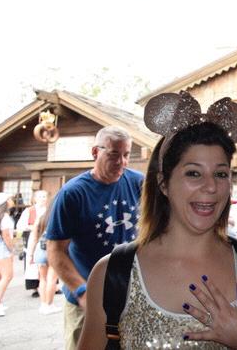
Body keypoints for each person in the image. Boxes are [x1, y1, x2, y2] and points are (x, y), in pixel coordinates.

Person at [78, 92, 237, 349]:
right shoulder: (112, 273)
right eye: (194, 173)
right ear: (163, 183)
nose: (211, 187)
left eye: (220, 174)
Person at [46, 126, 144, 350]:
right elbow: (55, 250)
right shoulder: (73, 193)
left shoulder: (139, 183)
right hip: (85, 298)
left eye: (126, 154)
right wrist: (82, 292)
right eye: (114, 154)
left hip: (129, 297)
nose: (121, 162)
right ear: (95, 152)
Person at [31, 194, 61, 315]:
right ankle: (50, 304)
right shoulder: (58, 217)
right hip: (52, 249)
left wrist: (31, 253)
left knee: (42, 279)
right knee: (52, 279)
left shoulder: (41, 218)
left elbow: (34, 237)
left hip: (40, 248)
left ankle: (43, 304)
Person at [16, 189, 48, 297]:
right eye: (40, 196)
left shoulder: (49, 210)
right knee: (33, 264)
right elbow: (20, 225)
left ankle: (50, 286)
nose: (42, 199)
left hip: (46, 239)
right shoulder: (29, 211)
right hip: (32, 239)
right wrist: (32, 227)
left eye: (44, 196)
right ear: (35, 198)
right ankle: (35, 287)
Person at [0, 192, 16, 317]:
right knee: (7, 276)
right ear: (5, 202)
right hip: (2, 247)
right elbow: (6, 236)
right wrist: (11, 250)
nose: (12, 200)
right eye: (10, 199)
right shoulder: (5, 217)